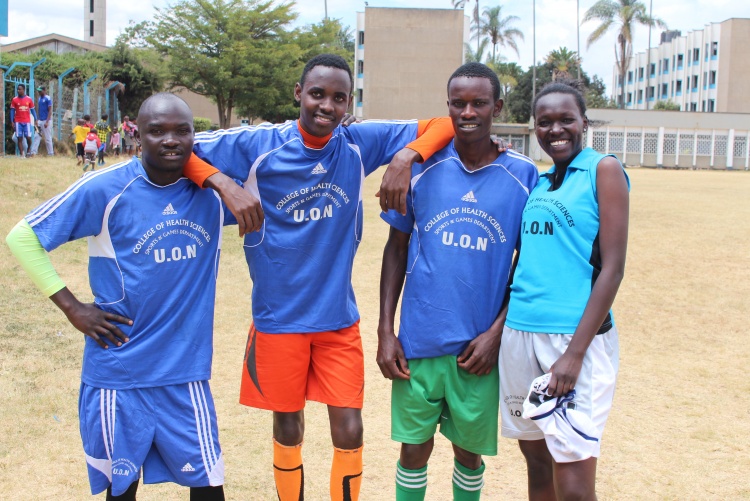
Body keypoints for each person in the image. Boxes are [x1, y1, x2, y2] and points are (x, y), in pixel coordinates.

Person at [180, 53, 458, 501]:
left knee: (349, 427)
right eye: (317, 94)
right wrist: (225, 184)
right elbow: (180, 145)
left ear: (349, 104)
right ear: (298, 94)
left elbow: (442, 125)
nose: (326, 105)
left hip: (337, 318)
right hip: (279, 318)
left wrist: (406, 157)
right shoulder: (259, 145)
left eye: (338, 98)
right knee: (288, 424)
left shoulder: (357, 143)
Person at [6, 93, 233, 501]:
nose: (170, 140)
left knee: (209, 488)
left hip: (184, 376)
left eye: (182, 131)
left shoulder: (213, 194)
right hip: (117, 374)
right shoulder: (107, 188)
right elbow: (22, 237)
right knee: (121, 491)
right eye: (157, 131)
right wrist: (73, 309)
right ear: (136, 137)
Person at [377, 62, 538, 501]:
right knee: (413, 451)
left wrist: (496, 334)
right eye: (458, 103)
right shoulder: (422, 169)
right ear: (447, 106)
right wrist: (385, 331)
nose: (468, 112)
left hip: (477, 350)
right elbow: (396, 249)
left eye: (479, 103)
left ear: (497, 107)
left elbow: (530, 267)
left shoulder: (523, 176)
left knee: (468, 454)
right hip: (417, 343)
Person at [499, 80, 630, 501]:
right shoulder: (538, 182)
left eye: (566, 119)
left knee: (571, 476)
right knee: (537, 463)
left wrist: (574, 354)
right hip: (520, 334)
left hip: (572, 340)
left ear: (584, 122)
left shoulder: (602, 169)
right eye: (545, 122)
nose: (556, 129)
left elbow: (612, 269)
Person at [10, 83, 37, 158]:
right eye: (17, 89)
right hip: (18, 121)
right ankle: (22, 154)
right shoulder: (14, 100)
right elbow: (12, 111)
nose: (18, 91)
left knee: (28, 137)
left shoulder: (29, 99)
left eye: (20, 89)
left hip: (27, 121)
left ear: (24, 90)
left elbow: (32, 110)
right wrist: (12, 121)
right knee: (19, 138)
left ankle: (28, 150)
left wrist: (36, 119)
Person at [30, 85, 54, 156]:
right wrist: (37, 119)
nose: (39, 92)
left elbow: (50, 111)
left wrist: (47, 121)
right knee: (37, 135)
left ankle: (50, 153)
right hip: (40, 121)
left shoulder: (48, 98)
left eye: (40, 91)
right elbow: (39, 109)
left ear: (44, 90)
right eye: (38, 91)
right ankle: (33, 152)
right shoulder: (39, 98)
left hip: (46, 121)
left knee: (47, 138)